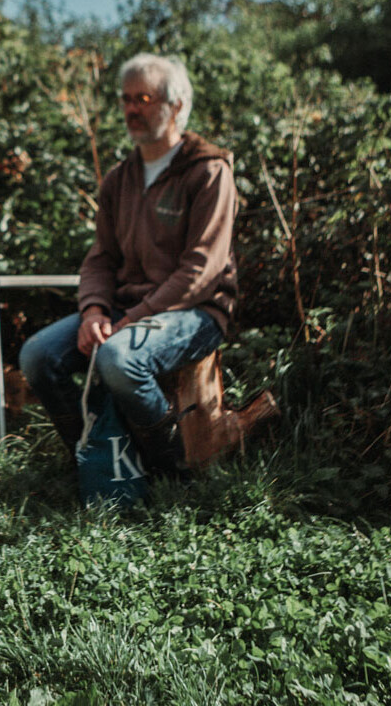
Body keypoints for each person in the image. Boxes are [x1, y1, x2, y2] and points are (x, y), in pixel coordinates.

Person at [19, 53, 237, 474]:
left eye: (144, 97)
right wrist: (94, 311)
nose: (132, 109)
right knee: (37, 356)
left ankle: (170, 470)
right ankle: (96, 459)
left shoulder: (208, 170)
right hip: (125, 310)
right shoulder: (120, 178)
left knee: (118, 359)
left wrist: (135, 317)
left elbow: (202, 269)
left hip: (196, 312)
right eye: (126, 99)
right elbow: (100, 258)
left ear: (175, 106)